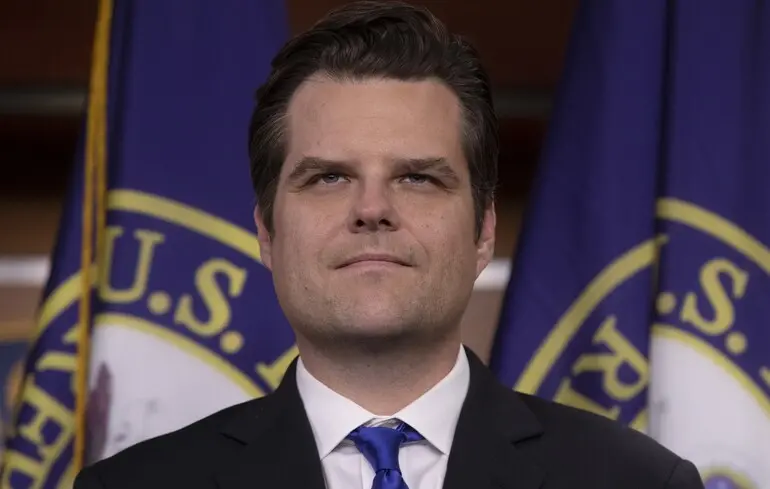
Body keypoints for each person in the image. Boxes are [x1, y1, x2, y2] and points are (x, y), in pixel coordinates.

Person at [74, 2, 705, 488]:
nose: (372, 209)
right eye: (329, 177)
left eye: (417, 178)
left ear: (483, 231)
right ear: (267, 232)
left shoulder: (640, 483)